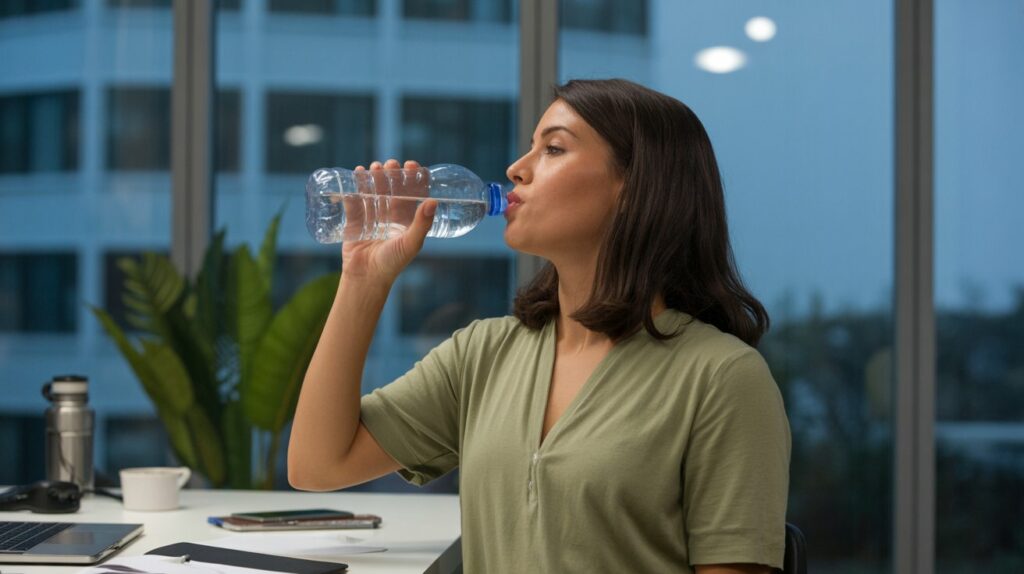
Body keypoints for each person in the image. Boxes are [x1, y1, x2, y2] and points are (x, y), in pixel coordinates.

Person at [288, 78, 791, 574]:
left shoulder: (723, 379)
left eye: (553, 149)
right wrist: (363, 280)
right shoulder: (483, 354)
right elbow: (317, 465)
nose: (516, 169)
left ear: (635, 190)